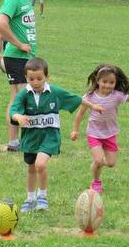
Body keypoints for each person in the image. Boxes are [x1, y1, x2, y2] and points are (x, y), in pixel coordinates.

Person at [10, 58, 102, 213]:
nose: (36, 82)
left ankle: (42, 197)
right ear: (26, 77)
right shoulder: (24, 94)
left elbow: (77, 99)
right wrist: (18, 117)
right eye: (31, 79)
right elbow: (13, 111)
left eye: (39, 78)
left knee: (40, 164)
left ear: (47, 77)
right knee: (31, 168)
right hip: (31, 138)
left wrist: (93, 106)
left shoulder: (55, 92)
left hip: (49, 137)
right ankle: (30, 198)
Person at [70, 64, 129, 194]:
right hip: (94, 133)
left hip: (110, 133)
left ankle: (97, 163)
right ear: (97, 80)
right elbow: (80, 113)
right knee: (99, 160)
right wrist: (75, 130)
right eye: (104, 81)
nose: (107, 85)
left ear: (116, 82)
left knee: (111, 163)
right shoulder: (90, 96)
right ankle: (96, 182)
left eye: (111, 82)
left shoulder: (117, 95)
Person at [0, 0, 37, 152]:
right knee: (22, 98)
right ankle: (18, 141)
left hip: (25, 56)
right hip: (16, 56)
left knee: (18, 97)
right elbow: (1, 25)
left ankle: (15, 141)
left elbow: (8, 27)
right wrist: (19, 45)